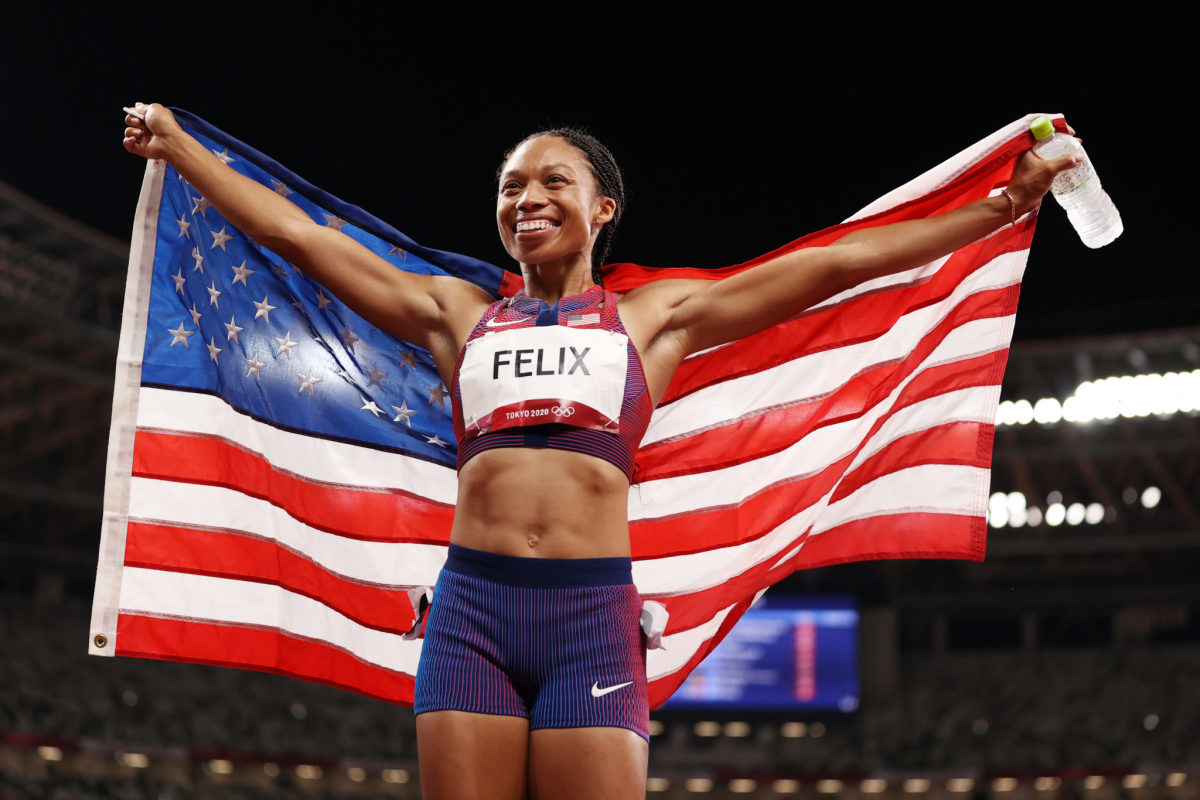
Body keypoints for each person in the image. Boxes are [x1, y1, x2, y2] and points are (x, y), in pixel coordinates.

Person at [122, 102, 1080, 799]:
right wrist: (182, 149)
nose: (527, 199)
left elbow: (830, 264)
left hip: (590, 617)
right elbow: (293, 233)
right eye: (510, 188)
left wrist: (996, 210)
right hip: (472, 617)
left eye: (552, 182)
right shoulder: (457, 316)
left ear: (603, 207)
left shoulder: (654, 318)